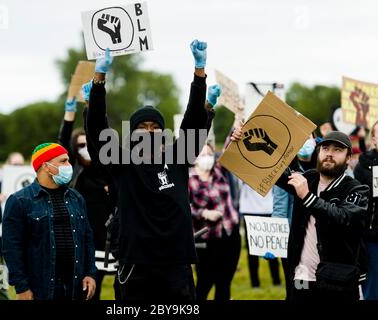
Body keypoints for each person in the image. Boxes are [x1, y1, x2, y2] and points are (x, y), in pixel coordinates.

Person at [86, 40, 213, 300]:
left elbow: (194, 122)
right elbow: (97, 131)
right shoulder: (120, 162)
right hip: (136, 264)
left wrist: (199, 73)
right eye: (142, 127)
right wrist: (99, 81)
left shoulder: (178, 156)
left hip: (176, 262)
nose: (149, 132)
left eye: (155, 127)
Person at [231, 128, 369, 300]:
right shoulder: (309, 179)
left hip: (337, 282)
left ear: (348, 158)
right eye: (325, 148)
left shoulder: (356, 189)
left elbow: (344, 217)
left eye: (337, 150)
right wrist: (242, 142)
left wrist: (307, 197)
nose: (329, 154)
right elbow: (273, 170)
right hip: (301, 276)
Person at [2, 142, 97, 300]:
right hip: (41, 289)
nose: (68, 165)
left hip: (76, 286)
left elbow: (87, 238)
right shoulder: (19, 201)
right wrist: (21, 287)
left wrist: (90, 273)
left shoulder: (76, 198)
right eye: (63, 161)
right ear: (46, 166)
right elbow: (12, 248)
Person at [58, 87, 116, 300]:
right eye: (80, 145)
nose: (85, 148)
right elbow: (61, 144)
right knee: (82, 288)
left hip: (105, 237)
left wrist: (92, 107)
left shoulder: (104, 169)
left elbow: (99, 134)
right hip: (79, 236)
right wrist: (69, 116)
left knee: (106, 287)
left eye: (87, 145)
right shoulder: (72, 172)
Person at [189, 142, 240, 301]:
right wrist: (203, 213)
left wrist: (237, 121)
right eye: (202, 155)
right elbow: (182, 208)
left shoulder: (220, 172)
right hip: (205, 238)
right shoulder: (188, 179)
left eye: (210, 154)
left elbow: (230, 147)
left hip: (230, 233)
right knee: (205, 282)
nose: (207, 158)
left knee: (224, 283)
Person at [354, 120, 378, 300]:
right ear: (374, 138)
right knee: (372, 287)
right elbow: (358, 201)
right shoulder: (363, 164)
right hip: (372, 237)